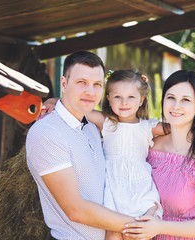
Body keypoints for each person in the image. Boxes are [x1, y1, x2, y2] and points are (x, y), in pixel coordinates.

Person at [41, 69, 167, 240]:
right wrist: (54, 101)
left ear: (141, 100)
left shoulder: (148, 127)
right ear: (108, 98)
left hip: (139, 187)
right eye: (117, 97)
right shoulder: (107, 123)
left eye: (131, 97)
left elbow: (178, 128)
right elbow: (74, 107)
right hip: (113, 187)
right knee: (112, 233)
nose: (124, 102)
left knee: (137, 233)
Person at [26, 51, 136, 240]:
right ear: (63, 84)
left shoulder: (91, 128)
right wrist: (140, 226)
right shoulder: (46, 132)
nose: (90, 92)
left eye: (97, 85)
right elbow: (76, 210)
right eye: (81, 82)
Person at [122, 70, 195, 240]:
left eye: (185, 100)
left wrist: (160, 226)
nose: (176, 106)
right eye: (170, 97)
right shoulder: (151, 145)